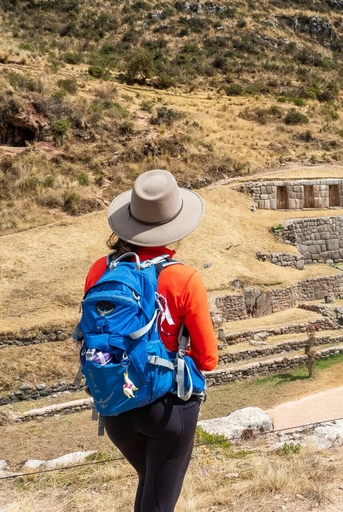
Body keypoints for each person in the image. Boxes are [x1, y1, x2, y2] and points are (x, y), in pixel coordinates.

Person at [82, 169, 218, 512]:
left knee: (151, 489)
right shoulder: (183, 276)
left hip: (115, 404)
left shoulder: (101, 270)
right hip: (165, 408)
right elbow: (208, 359)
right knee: (158, 502)